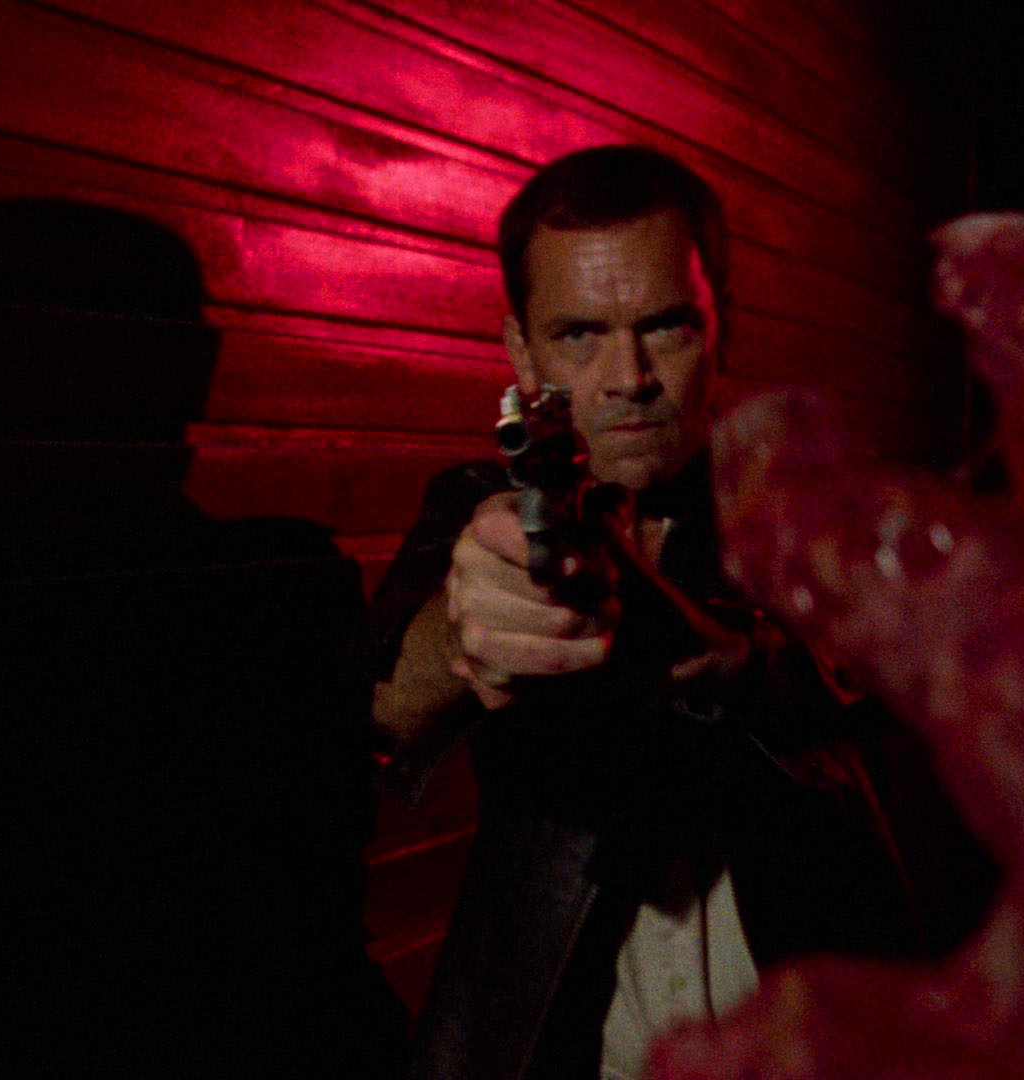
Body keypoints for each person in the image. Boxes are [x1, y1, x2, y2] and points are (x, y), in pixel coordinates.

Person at [362, 145, 989, 1080]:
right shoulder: (477, 511)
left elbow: (885, 694)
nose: (628, 377)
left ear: (721, 328)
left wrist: (723, 656)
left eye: (665, 327)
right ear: (521, 350)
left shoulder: (811, 517)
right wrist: (473, 628)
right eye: (579, 335)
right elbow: (383, 695)